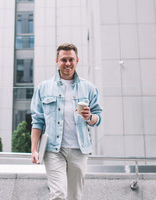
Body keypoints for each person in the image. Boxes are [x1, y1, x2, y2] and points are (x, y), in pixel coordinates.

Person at [31, 43, 102, 200]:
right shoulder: (43, 88)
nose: (68, 63)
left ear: (77, 60)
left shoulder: (89, 88)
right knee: (59, 194)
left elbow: (98, 118)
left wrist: (89, 117)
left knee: (74, 196)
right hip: (53, 150)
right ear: (57, 61)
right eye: (64, 60)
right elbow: (37, 121)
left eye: (71, 59)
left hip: (79, 150)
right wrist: (34, 149)